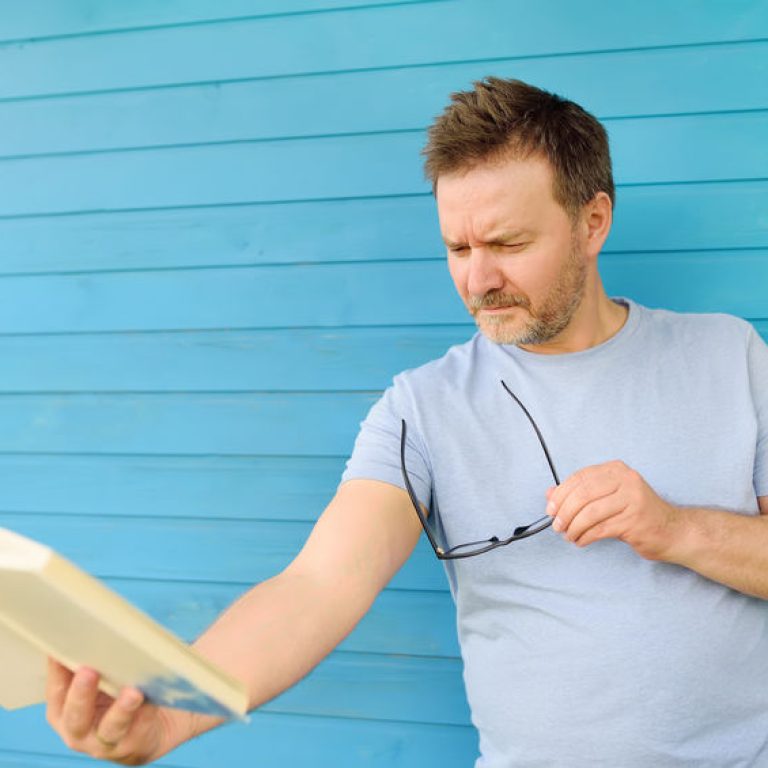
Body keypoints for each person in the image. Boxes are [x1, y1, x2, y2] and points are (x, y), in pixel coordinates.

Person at [45, 78, 768, 767]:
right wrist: (173, 713)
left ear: (593, 222)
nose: (477, 280)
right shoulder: (421, 409)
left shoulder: (729, 354)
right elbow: (318, 587)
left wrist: (675, 528)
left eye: (509, 245)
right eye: (459, 248)